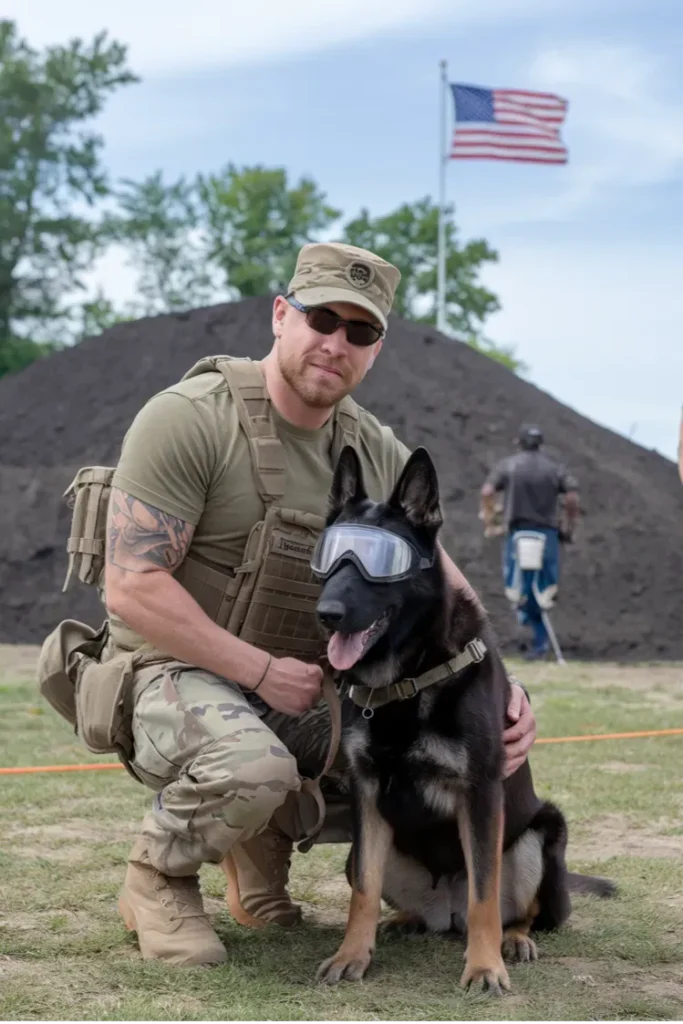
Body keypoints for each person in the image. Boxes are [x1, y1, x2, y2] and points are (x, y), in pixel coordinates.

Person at [57, 241, 538, 966]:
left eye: (360, 331)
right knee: (253, 766)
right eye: (321, 318)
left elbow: (442, 575)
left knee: (405, 751)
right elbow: (133, 585)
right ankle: (156, 874)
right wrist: (255, 671)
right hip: (168, 668)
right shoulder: (190, 419)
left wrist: (500, 683)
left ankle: (256, 849)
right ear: (282, 316)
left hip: (297, 678)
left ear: (375, 349)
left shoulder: (370, 446)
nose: (335, 343)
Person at [480, 423, 579, 660]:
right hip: (548, 535)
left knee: (518, 587)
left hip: (518, 533)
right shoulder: (555, 468)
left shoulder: (509, 466)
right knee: (544, 589)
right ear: (541, 444)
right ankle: (539, 642)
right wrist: (568, 527)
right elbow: (572, 496)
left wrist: (490, 520)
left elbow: (487, 492)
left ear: (519, 443)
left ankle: (531, 637)